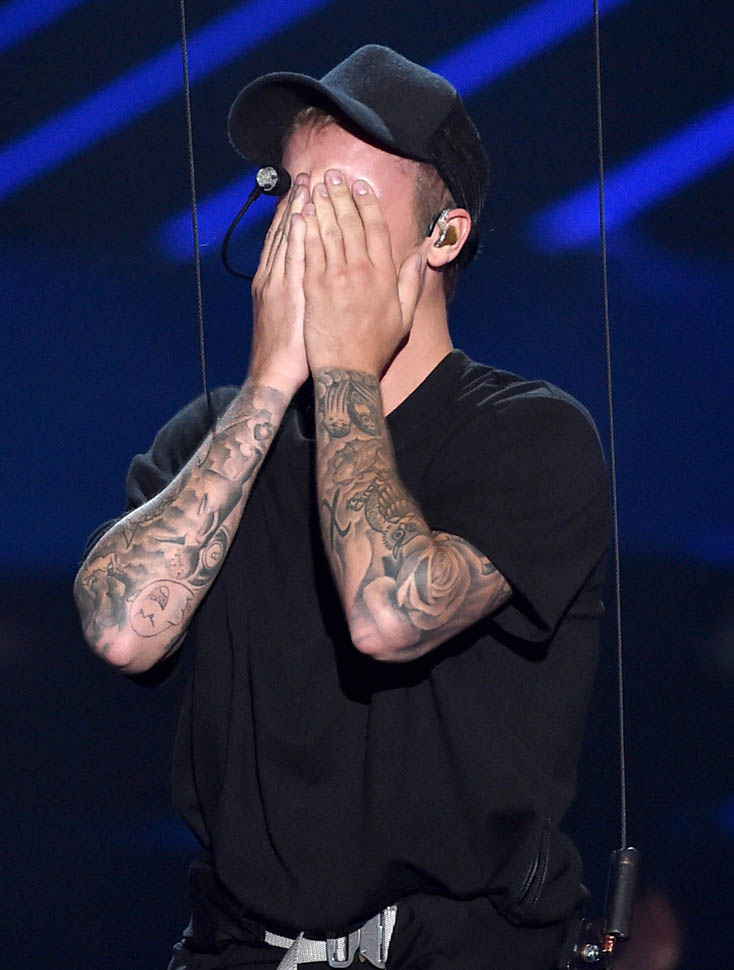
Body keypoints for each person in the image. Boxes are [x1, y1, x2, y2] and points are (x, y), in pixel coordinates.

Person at [74, 45, 611, 970]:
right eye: (293, 192)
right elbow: (123, 632)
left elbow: (388, 617)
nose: (306, 225)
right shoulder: (213, 436)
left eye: (345, 201)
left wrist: (346, 372)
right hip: (240, 948)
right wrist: (269, 384)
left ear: (442, 237)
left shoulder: (531, 434)